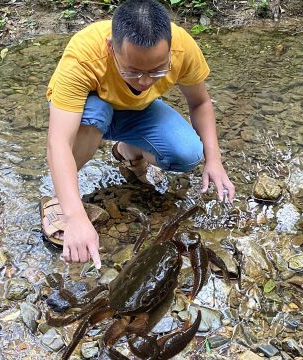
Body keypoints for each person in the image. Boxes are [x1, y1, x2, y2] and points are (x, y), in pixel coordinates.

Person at [41, 0, 235, 269]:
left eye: (156, 70)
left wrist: (215, 160)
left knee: (189, 153)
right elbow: (58, 142)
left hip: (137, 111)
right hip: (86, 114)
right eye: (132, 71)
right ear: (111, 48)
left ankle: (127, 150)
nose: (144, 81)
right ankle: (58, 200)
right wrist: (75, 217)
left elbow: (200, 103)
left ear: (169, 49)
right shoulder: (84, 55)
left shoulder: (182, 46)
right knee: (96, 112)